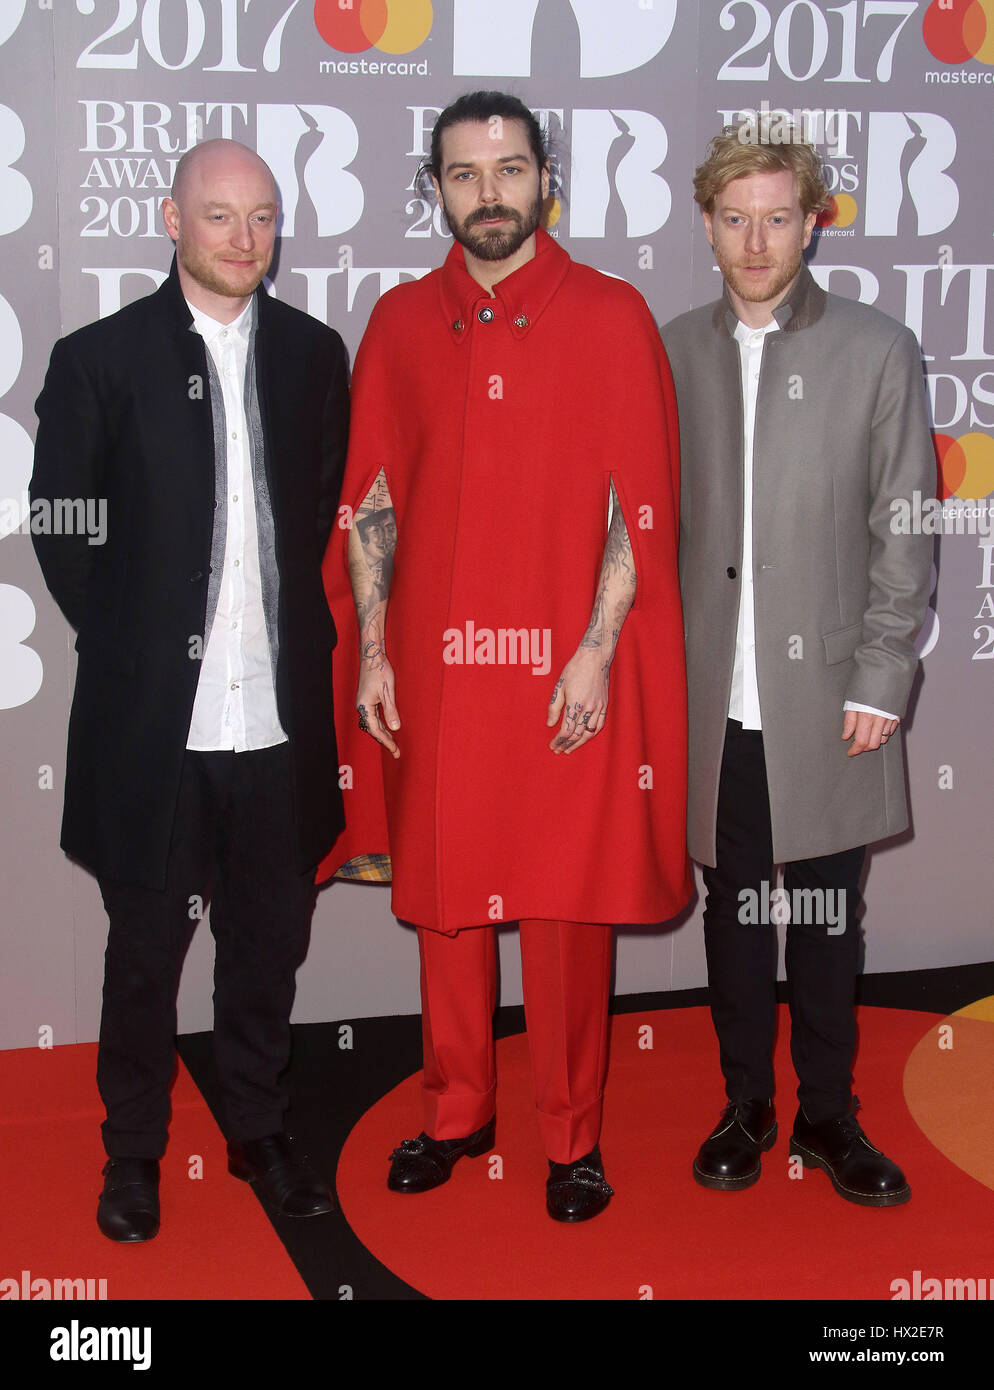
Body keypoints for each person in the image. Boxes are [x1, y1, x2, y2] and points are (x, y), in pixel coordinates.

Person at [318, 91, 690, 1222]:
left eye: (510, 169)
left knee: (566, 912)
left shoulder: (613, 316)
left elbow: (642, 510)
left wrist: (592, 651)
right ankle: (455, 1108)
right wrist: (376, 649)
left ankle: (572, 1137)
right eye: (465, 173)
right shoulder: (395, 321)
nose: (489, 193)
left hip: (563, 670)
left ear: (546, 177)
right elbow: (371, 498)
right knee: (444, 897)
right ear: (435, 185)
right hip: (434, 667)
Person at [31, 138, 349, 1241]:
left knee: (269, 945)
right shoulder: (98, 359)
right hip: (154, 730)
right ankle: (133, 1154)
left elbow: (312, 517)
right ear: (172, 218)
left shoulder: (314, 354)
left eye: (261, 217)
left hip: (275, 721)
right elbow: (65, 530)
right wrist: (133, 647)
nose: (243, 239)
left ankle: (259, 1130)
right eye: (220, 215)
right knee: (144, 956)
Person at [661, 118, 934, 1206]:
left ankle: (827, 1116)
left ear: (811, 221)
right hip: (707, 700)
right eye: (735, 220)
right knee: (732, 917)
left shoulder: (875, 349)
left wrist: (882, 672)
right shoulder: (670, 349)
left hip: (827, 695)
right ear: (708, 224)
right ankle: (745, 1105)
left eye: (778, 217)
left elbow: (903, 523)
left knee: (824, 920)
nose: (757, 241)